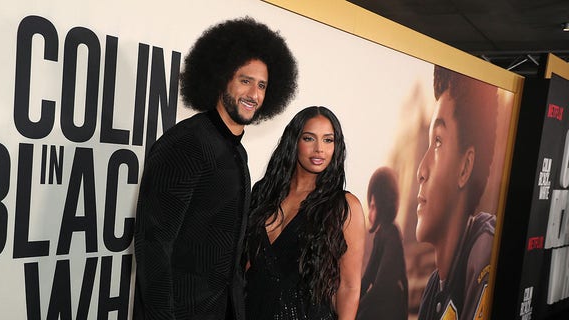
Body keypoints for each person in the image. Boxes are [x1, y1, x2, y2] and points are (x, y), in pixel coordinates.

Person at [133, 17, 298, 320]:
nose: (254, 94)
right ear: (222, 77)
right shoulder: (186, 144)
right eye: (245, 80)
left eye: (262, 85)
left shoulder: (237, 154)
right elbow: (153, 247)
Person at [245, 106, 365, 319]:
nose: (319, 149)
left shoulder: (343, 207)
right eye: (310, 138)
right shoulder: (263, 193)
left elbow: (349, 287)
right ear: (294, 142)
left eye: (328, 140)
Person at [415, 66, 498, 320]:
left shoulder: (483, 250)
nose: (421, 170)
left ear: (465, 167)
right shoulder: (433, 288)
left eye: (438, 142)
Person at [356, 167, 408, 320]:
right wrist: (353, 300)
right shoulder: (381, 235)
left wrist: (360, 304)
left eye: (372, 206)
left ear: (383, 204)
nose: (369, 213)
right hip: (383, 302)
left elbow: (382, 286)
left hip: (391, 308)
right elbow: (368, 277)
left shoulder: (392, 234)